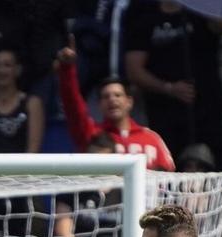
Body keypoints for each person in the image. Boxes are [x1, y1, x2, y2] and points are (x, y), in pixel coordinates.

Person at [124, 0, 222, 168]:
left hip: (207, 112)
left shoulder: (200, 12)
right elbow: (134, 70)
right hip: (166, 116)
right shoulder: (145, 15)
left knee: (214, 170)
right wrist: (169, 88)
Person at [55, 38, 175, 170]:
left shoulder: (151, 138)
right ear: (100, 105)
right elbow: (73, 107)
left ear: (129, 101)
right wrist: (67, 69)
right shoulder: (92, 135)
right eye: (106, 97)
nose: (112, 100)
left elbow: (168, 175)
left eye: (118, 95)